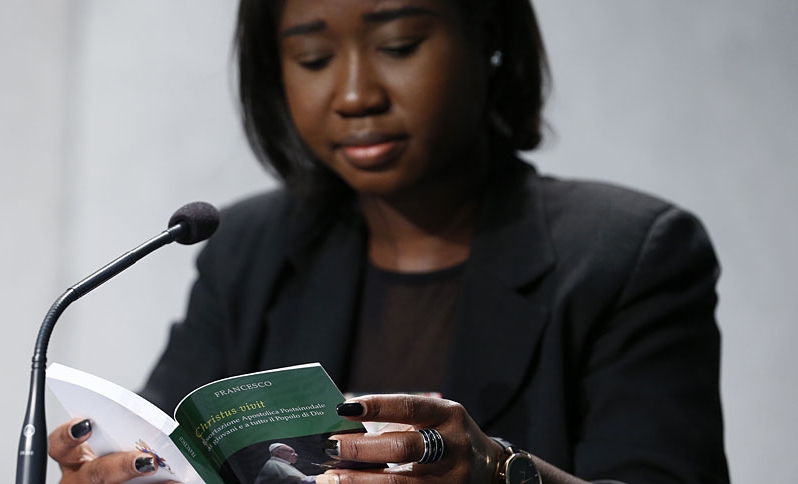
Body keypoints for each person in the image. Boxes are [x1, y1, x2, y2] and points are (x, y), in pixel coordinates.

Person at [48, 0, 730, 483]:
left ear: (487, 33)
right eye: (313, 57)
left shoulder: (630, 256)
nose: (354, 93)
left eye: (399, 45)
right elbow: (162, 446)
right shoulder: (246, 251)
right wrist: (114, 474)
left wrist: (503, 477)